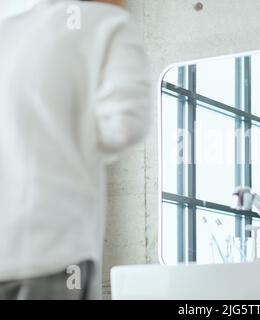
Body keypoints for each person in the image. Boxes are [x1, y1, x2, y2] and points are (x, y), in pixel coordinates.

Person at [0, 0, 150, 299]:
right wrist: (74, 144)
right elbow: (125, 124)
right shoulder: (108, 24)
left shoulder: (8, 30)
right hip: (54, 251)